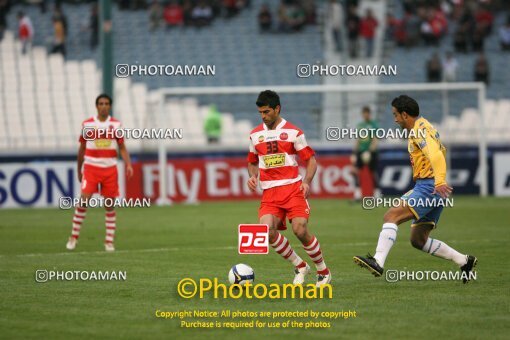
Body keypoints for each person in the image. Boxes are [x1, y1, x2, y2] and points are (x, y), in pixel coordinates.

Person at [353, 95, 477, 283]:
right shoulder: (424, 125)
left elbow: (436, 155)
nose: (394, 119)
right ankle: (464, 261)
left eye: (395, 115)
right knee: (418, 240)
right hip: (432, 187)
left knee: (390, 216)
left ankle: (378, 261)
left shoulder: (419, 131)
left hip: (429, 186)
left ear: (404, 114)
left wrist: (440, 180)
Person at [247, 90, 331, 287]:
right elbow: (252, 161)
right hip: (269, 193)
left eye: (266, 111)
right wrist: (252, 176)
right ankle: (300, 266)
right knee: (266, 232)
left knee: (300, 230)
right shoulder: (255, 134)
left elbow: (311, 161)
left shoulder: (294, 132)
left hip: (293, 189)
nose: (263, 116)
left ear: (277, 109)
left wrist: (307, 181)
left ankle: (323, 271)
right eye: (260, 112)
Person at [66, 94, 134, 252]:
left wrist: (128, 164)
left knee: (109, 205)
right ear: (96, 106)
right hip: (91, 168)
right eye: (101, 103)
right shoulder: (88, 124)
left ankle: (109, 241)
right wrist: (79, 168)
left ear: (110, 106)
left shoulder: (116, 125)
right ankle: (74, 237)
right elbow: (82, 148)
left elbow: (122, 147)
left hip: (110, 169)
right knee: (84, 200)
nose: (103, 106)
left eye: (106, 103)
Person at [351, 106, 380, 200]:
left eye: (367, 113)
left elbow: (375, 139)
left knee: (373, 172)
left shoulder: (374, 125)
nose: (365, 115)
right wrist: (354, 152)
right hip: (361, 151)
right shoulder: (360, 125)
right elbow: (358, 139)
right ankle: (357, 194)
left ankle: (377, 194)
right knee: (356, 172)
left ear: (369, 114)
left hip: (371, 152)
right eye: (364, 113)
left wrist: (370, 151)